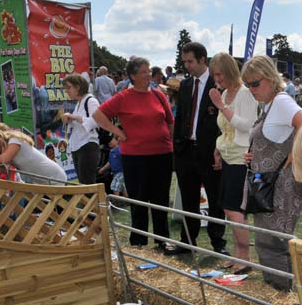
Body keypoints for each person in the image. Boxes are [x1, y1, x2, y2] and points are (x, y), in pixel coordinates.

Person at [241, 55, 302, 292]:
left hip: (280, 188)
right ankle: (285, 293)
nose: (251, 89)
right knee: (272, 241)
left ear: (270, 78)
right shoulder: (269, 105)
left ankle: (286, 295)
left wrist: (294, 152)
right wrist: (253, 156)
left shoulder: (281, 102)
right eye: (247, 85)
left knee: (277, 242)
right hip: (268, 187)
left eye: (255, 84)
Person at [94, 57, 174, 249]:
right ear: (133, 76)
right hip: (135, 157)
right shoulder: (123, 97)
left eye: (149, 71)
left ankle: (162, 240)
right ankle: (138, 240)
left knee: (161, 199)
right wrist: (118, 132)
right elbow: (98, 115)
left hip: (162, 154)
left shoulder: (158, 95)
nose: (149, 75)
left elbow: (170, 120)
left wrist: (167, 139)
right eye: (144, 72)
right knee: (139, 199)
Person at [170, 41, 225, 256]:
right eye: (184, 62)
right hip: (186, 151)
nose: (187, 66)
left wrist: (219, 149)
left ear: (203, 59)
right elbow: (181, 116)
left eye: (190, 61)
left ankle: (218, 243)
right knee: (188, 199)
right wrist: (178, 145)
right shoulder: (185, 85)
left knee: (215, 199)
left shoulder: (217, 84)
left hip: (210, 152)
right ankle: (187, 241)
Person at [208, 51, 259, 273]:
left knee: (234, 209)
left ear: (229, 71)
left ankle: (245, 257)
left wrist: (221, 106)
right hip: (228, 156)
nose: (216, 79)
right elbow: (225, 129)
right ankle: (238, 253)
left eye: (219, 74)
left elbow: (246, 126)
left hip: (241, 158)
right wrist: (218, 149)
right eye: (214, 75)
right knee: (229, 208)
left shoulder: (244, 94)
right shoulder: (226, 93)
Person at [61, 74, 100, 184]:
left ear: (78, 87)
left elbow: (95, 122)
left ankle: (98, 201)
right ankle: (95, 201)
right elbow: (77, 124)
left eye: (69, 87)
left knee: (88, 183)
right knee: (84, 183)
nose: (67, 91)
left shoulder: (91, 101)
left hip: (88, 145)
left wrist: (73, 117)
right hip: (78, 145)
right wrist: (69, 120)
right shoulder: (79, 103)